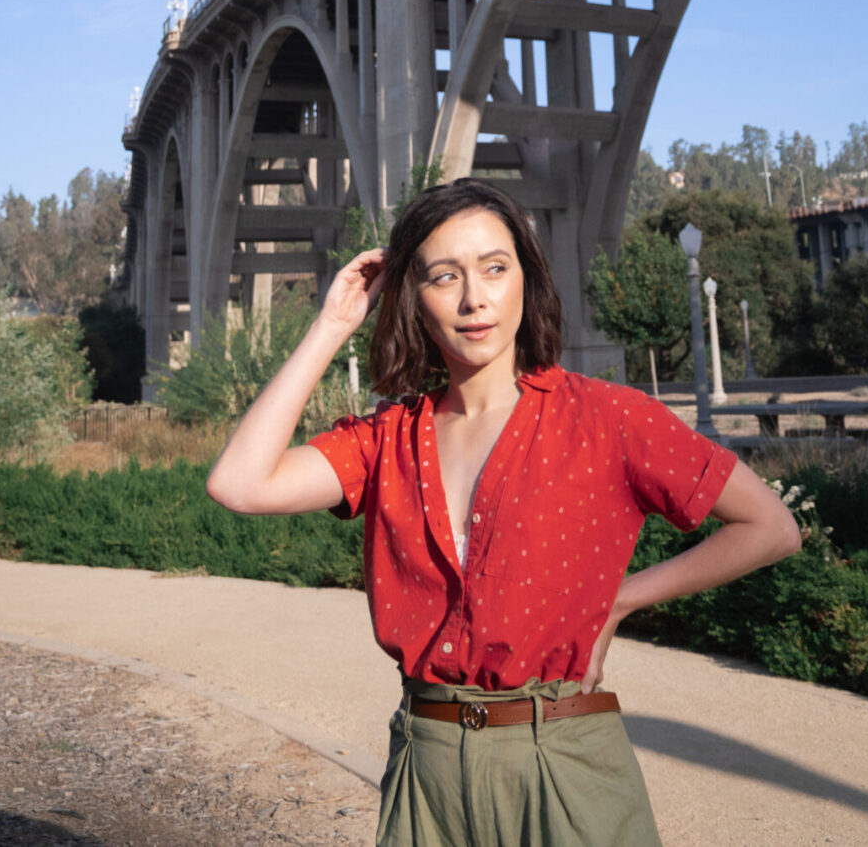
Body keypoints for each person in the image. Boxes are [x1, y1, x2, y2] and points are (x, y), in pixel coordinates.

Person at [207, 178, 800, 846]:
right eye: (443, 277)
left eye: (495, 267)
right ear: (413, 298)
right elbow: (240, 484)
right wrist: (333, 325)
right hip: (426, 773)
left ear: (527, 277)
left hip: (566, 767)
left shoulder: (607, 419)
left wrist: (620, 601)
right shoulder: (387, 440)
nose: (474, 299)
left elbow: (771, 527)